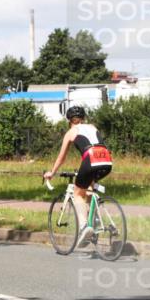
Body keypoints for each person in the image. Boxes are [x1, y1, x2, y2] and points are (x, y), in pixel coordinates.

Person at [44, 105, 113, 245]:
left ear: (69, 121)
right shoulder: (93, 126)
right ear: (83, 119)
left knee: (77, 193)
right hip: (106, 159)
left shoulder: (71, 132)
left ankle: (84, 227)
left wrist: (52, 172)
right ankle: (95, 220)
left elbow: (61, 158)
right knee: (88, 191)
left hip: (90, 159)